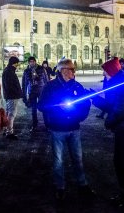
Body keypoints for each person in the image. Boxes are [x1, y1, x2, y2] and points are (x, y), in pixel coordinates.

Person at [37, 58, 94, 200]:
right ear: (63, 71)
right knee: (58, 160)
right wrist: (57, 106)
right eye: (72, 69)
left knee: (78, 159)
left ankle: (82, 184)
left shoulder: (78, 86)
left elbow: (86, 104)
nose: (74, 72)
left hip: (74, 128)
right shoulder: (50, 87)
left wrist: (79, 117)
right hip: (57, 129)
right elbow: (41, 105)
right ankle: (60, 187)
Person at [92, 57, 124, 209]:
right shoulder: (118, 83)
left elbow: (122, 111)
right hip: (122, 127)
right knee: (120, 162)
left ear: (112, 71)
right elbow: (112, 106)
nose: (105, 74)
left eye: (106, 72)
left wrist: (108, 122)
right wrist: (95, 99)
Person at [22, 56, 48, 131]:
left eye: (33, 61)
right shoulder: (26, 71)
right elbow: (24, 84)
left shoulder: (42, 69)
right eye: (30, 62)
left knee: (43, 107)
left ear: (35, 62)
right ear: (28, 63)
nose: (31, 63)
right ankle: (34, 124)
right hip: (32, 92)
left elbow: (46, 81)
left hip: (41, 91)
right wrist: (24, 96)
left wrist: (47, 92)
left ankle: (47, 124)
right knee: (33, 109)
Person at [2, 56, 23, 139]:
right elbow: (11, 85)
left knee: (8, 113)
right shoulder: (9, 72)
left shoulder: (7, 70)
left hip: (9, 95)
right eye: (17, 63)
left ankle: (6, 129)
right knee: (11, 114)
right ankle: (9, 132)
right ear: (15, 63)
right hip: (12, 96)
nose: (18, 65)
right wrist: (18, 93)